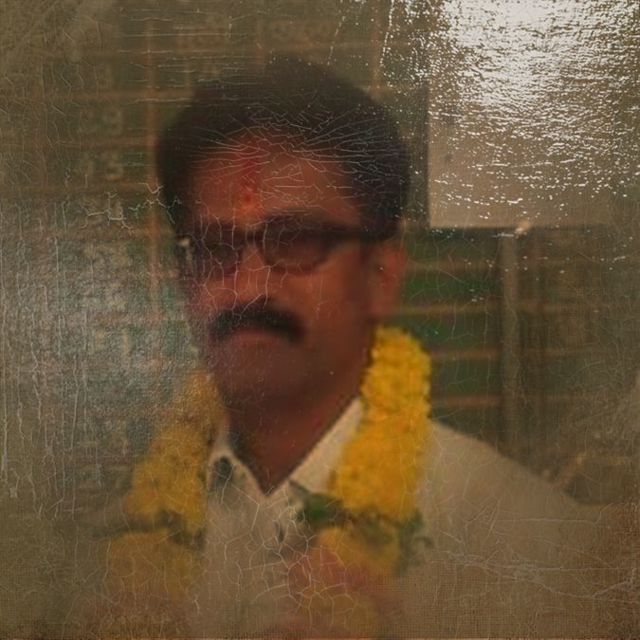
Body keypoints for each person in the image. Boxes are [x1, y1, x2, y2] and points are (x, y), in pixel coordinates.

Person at [76, 58, 633, 637]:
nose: (246, 287)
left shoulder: (530, 550)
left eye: (296, 239)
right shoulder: (103, 556)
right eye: (215, 245)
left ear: (381, 273)